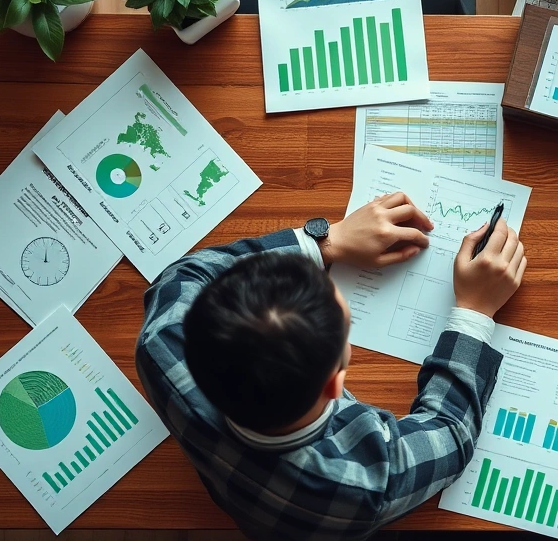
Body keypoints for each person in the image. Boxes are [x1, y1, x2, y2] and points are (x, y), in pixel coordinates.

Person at [135, 192, 527, 540]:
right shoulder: (365, 485)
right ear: (333, 386)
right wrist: (474, 312)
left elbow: (182, 276)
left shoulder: (160, 345)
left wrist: (325, 240)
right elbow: (450, 434)